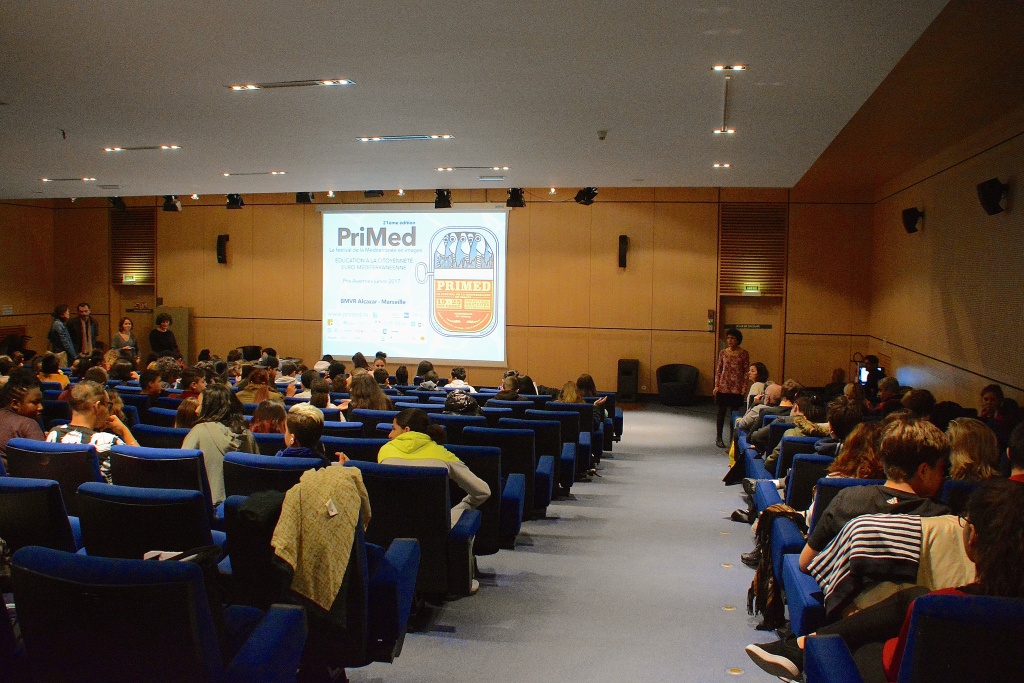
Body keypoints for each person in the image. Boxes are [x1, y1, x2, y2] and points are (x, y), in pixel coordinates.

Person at [745, 479, 1024, 682]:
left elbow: (896, 667)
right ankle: (801, 646)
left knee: (866, 642)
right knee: (912, 595)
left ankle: (805, 647)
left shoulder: (939, 609)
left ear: (972, 538)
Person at [798, 416, 951, 573]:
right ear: (923, 471)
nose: (943, 477)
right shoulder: (943, 520)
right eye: (942, 469)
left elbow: (805, 563)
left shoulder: (848, 499)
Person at [377, 407, 490, 530]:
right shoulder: (443, 455)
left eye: (394, 429)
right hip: (434, 531)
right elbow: (483, 491)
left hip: (387, 529)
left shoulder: (385, 450)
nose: (390, 435)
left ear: (407, 430)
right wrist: (461, 508)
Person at [46, 380, 138, 481]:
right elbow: (141, 466)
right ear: (97, 406)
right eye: (107, 405)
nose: (108, 411)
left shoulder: (53, 434)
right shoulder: (110, 442)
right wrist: (124, 431)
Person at [182, 383, 257, 505]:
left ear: (210, 407)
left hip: (209, 506)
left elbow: (182, 471)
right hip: (242, 506)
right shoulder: (248, 435)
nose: (196, 410)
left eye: (200, 405)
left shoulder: (199, 431)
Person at [0, 368, 45, 467]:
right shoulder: (28, 425)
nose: (40, 407)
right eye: (35, 402)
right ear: (15, 404)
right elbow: (43, 464)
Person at [713, 327, 750, 448]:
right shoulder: (723, 353)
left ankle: (732, 439)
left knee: (734, 414)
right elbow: (719, 370)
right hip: (723, 386)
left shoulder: (744, 353)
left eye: (732, 338)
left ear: (738, 340)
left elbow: (746, 372)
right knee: (721, 413)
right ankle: (719, 437)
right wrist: (716, 385)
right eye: (728, 338)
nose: (729, 340)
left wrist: (744, 387)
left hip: (737, 388)